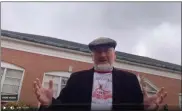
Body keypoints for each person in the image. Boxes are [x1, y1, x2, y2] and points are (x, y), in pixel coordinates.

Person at [33, 37, 167, 111]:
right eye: (98, 51)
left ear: (115, 55)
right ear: (92, 57)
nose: (102, 54)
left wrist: (146, 108)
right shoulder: (77, 79)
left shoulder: (130, 80)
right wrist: (49, 103)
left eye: (107, 51)